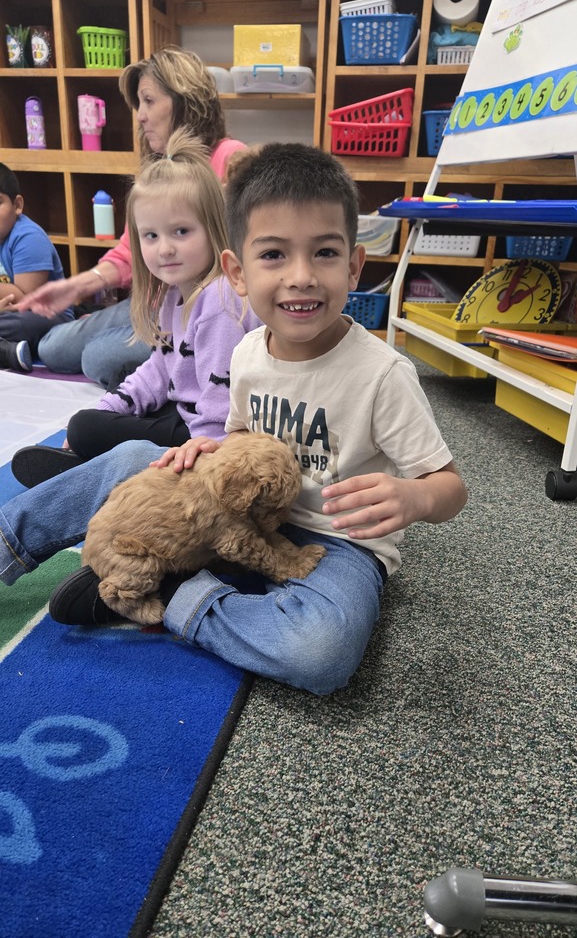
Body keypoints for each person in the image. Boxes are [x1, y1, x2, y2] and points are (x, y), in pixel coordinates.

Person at [0, 143, 468, 696]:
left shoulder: (384, 374)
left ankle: (176, 595)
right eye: (273, 255)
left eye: (324, 253)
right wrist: (207, 450)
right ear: (237, 272)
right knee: (130, 458)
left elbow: (450, 486)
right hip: (237, 512)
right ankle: (11, 541)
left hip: (339, 541)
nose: (301, 276)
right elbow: (241, 438)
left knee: (320, 652)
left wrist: (413, 498)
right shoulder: (247, 351)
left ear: (355, 265)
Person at [12, 129, 261, 483]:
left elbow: (223, 393)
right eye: (152, 236)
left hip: (206, 437)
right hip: (186, 414)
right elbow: (158, 371)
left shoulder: (220, 299)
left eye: (181, 232)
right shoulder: (173, 295)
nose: (165, 249)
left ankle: (101, 465)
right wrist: (110, 407)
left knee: (85, 427)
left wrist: (206, 452)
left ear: (213, 228)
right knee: (117, 390)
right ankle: (96, 463)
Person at [15, 46, 247, 388]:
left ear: (185, 100)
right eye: (138, 103)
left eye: (149, 101)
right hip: (151, 303)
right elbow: (129, 252)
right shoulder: (155, 169)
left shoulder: (230, 158)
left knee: (97, 358)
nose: (139, 115)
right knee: (54, 348)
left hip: (198, 313)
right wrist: (74, 286)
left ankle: (175, 375)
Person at [0, 162, 74, 373]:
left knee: (22, 323)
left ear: (17, 205)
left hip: (45, 314)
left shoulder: (27, 237)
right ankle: (6, 352)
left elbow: (26, 297)